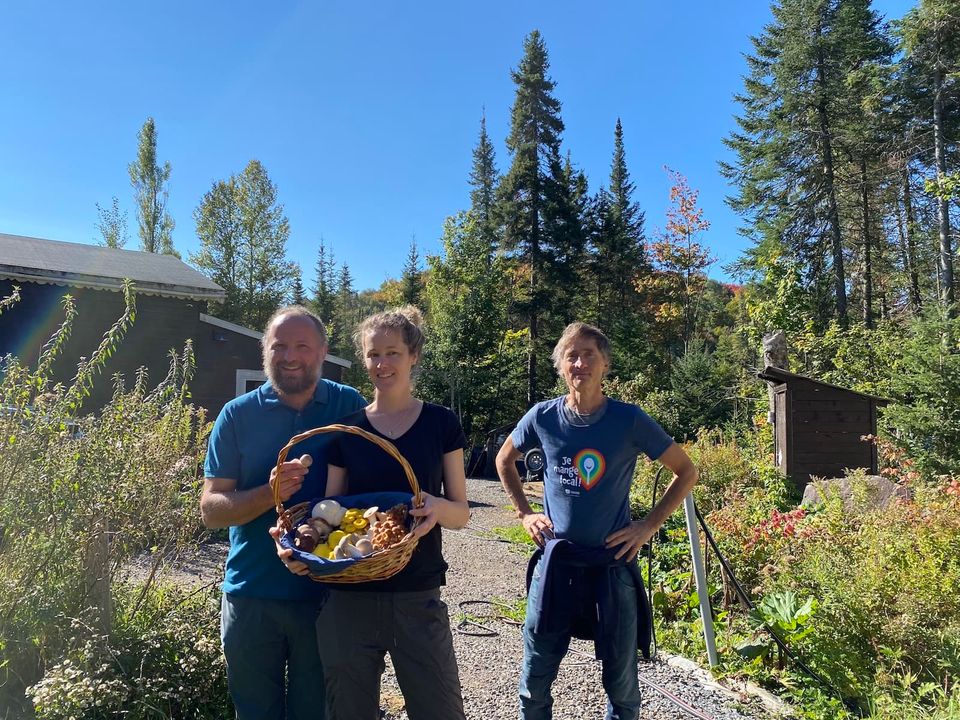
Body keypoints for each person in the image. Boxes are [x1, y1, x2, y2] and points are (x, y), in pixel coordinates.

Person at [275, 306, 470, 720]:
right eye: (372, 354)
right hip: (349, 599)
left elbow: (461, 513)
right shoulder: (349, 431)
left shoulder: (441, 423)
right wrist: (299, 549)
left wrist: (435, 507)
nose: (381, 364)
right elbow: (327, 514)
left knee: (441, 711)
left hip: (417, 595)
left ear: (413, 355)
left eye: (392, 353)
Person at [496, 322, 698, 720]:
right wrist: (524, 513)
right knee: (534, 679)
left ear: (605, 364)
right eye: (571, 355)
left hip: (612, 565)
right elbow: (505, 460)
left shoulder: (629, 420)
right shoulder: (543, 417)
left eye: (589, 354)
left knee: (622, 684)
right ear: (561, 366)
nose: (580, 362)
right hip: (557, 566)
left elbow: (686, 471)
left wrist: (648, 525)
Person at [200, 306, 366, 720]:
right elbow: (211, 510)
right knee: (255, 712)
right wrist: (268, 492)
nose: (290, 356)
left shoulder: (349, 407)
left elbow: (369, 494)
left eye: (302, 346)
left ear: (323, 351)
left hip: (326, 596)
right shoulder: (237, 415)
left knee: (318, 712)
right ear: (264, 352)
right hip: (251, 595)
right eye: (279, 346)